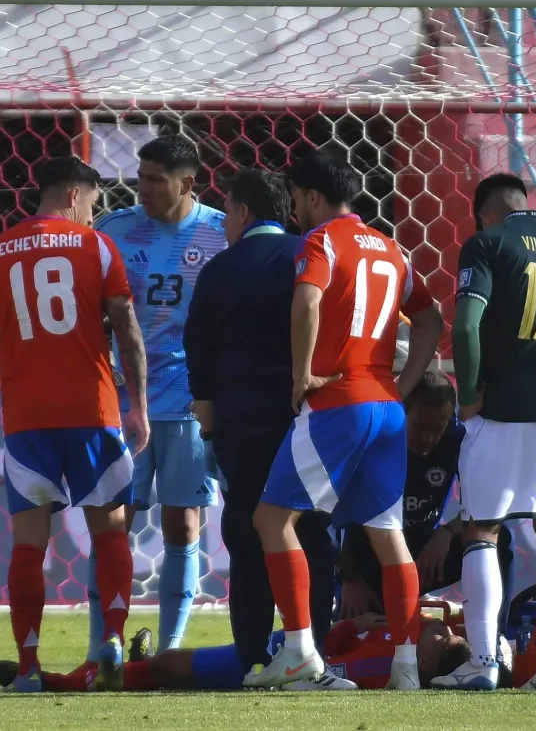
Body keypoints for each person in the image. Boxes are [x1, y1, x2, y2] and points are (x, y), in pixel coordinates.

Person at [0, 156, 149, 692]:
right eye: (94, 202)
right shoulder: (95, 247)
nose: (94, 214)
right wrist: (137, 401)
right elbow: (124, 322)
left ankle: (27, 668)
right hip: (92, 412)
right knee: (110, 531)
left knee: (29, 545)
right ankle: (112, 642)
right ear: (75, 195)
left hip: (27, 421)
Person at [244, 150, 443, 691]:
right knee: (388, 535)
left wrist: (301, 375)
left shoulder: (322, 241)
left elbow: (306, 301)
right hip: (386, 407)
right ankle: (406, 666)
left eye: (296, 200)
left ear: (312, 197)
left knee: (270, 521)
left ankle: (300, 652)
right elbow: (431, 319)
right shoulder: (392, 248)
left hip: (338, 402)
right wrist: (405, 383)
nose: (294, 211)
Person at [432, 172, 536, 692]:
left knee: (481, 529)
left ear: (483, 213)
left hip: (503, 404)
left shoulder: (485, 244)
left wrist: (469, 392)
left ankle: (482, 663)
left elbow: (464, 326)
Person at [184, 168, 339, 685]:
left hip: (242, 423)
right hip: (307, 416)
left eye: (226, 212)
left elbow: (198, 353)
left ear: (244, 212)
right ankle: (314, 646)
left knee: (248, 533)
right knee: (311, 531)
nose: (224, 223)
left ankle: (250, 652)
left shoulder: (219, 271)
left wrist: (208, 430)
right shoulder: (309, 255)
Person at [92, 135, 227, 657]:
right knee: (113, 525)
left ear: (187, 183)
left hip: (192, 403)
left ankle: (170, 648)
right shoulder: (115, 230)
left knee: (182, 520)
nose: (141, 188)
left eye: (154, 179)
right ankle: (103, 643)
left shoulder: (220, 233)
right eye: (140, 176)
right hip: (125, 405)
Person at [338, 371, 513, 614]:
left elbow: (490, 502)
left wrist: (448, 531)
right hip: (371, 558)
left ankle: (494, 635)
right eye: (420, 426)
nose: (428, 438)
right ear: (402, 413)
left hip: (425, 555)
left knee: (498, 538)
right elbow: (342, 515)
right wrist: (350, 578)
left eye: (437, 429)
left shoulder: (457, 439)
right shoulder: (377, 438)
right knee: (359, 634)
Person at [0, 612, 472, 693]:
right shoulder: (398, 646)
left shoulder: (381, 667)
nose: (441, 628)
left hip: (262, 665)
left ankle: (56, 681)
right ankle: (133, 660)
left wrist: (349, 625)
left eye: (444, 638)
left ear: (426, 664)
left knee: (162, 671)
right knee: (162, 669)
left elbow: (329, 651)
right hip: (269, 653)